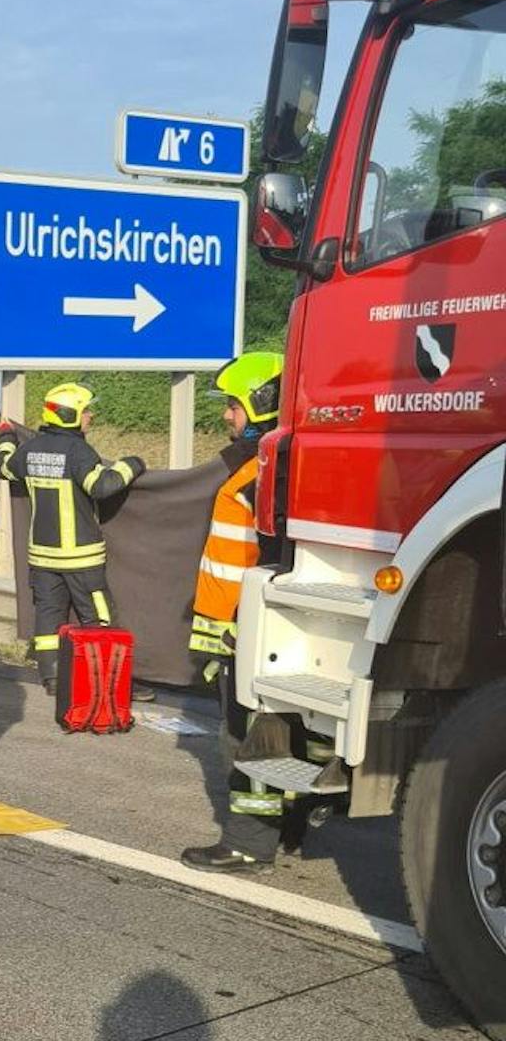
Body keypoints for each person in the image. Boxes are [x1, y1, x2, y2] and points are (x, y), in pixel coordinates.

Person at [180, 352, 302, 874]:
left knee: (246, 733)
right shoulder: (269, 460)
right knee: (277, 728)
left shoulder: (262, 467)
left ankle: (250, 840)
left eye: (233, 405)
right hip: (248, 619)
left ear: (261, 402)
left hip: (246, 624)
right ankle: (286, 823)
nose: (228, 416)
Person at [0, 383, 150, 699]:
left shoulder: (32, 449)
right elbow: (102, 486)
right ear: (72, 415)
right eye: (86, 411)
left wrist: (6, 438)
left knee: (49, 618)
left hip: (42, 559)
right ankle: (110, 682)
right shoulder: (78, 451)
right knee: (99, 619)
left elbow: (3, 467)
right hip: (81, 558)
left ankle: (52, 679)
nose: (90, 416)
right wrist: (131, 464)